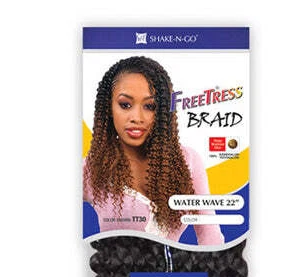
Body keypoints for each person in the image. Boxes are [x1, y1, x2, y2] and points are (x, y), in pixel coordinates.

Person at [84, 56, 224, 245]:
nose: (137, 117)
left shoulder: (187, 161)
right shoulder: (92, 168)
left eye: (150, 106)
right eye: (125, 105)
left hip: (171, 266)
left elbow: (210, 236)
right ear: (108, 107)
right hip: (114, 266)